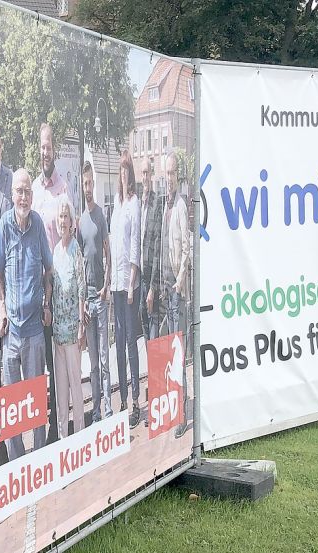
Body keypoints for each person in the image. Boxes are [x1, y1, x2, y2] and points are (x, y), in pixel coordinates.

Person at [0, 169, 52, 460]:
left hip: (34, 332)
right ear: (12, 194)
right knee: (11, 404)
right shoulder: (3, 226)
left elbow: (48, 271)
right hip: (12, 334)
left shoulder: (38, 224)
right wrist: (2, 310)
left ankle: (38, 458)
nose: (24, 196)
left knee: (36, 400)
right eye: (19, 191)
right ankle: (18, 462)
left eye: (28, 191)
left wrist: (47, 305)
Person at [32, 123, 71, 442]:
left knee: (57, 359)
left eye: (49, 147)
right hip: (37, 291)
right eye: (42, 147)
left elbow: (68, 237)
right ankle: (46, 424)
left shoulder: (64, 189)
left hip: (57, 290)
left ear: (54, 150)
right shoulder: (32, 190)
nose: (46, 152)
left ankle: (59, 423)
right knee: (42, 359)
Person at [76, 162, 112, 423]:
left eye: (90, 183)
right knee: (93, 362)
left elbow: (108, 254)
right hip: (87, 302)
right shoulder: (79, 221)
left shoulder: (100, 216)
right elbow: (79, 263)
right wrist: (83, 302)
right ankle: (97, 410)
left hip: (101, 297)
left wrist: (106, 286)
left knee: (104, 360)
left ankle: (109, 408)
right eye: (84, 184)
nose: (88, 188)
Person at [111, 150, 143, 428]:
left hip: (129, 286)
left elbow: (134, 246)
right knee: (118, 345)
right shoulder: (117, 205)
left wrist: (132, 283)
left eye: (126, 170)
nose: (123, 175)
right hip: (115, 287)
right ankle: (121, 399)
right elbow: (113, 244)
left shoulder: (134, 204)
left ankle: (135, 399)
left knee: (132, 343)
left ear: (130, 174)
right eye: (120, 170)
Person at [51, 199, 86, 438]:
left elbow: (82, 289)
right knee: (61, 390)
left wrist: (82, 325)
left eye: (66, 217)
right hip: (57, 334)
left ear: (72, 223)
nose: (63, 221)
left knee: (76, 387)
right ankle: (64, 437)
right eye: (60, 217)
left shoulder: (76, 250)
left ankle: (81, 435)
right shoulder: (55, 251)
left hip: (73, 331)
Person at [165, 154, 193, 439]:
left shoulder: (182, 205)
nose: (169, 178)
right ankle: (174, 409)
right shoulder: (167, 204)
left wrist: (180, 281)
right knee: (170, 355)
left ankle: (182, 415)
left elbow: (186, 246)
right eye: (167, 174)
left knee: (179, 355)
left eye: (172, 173)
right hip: (165, 290)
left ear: (178, 176)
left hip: (176, 291)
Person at [139, 157, 165, 340]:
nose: (145, 177)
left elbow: (157, 247)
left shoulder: (156, 203)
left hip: (151, 277)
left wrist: (153, 287)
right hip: (141, 276)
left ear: (152, 174)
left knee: (153, 321)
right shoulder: (140, 203)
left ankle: (155, 367)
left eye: (147, 172)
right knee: (143, 319)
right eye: (143, 173)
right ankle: (150, 364)